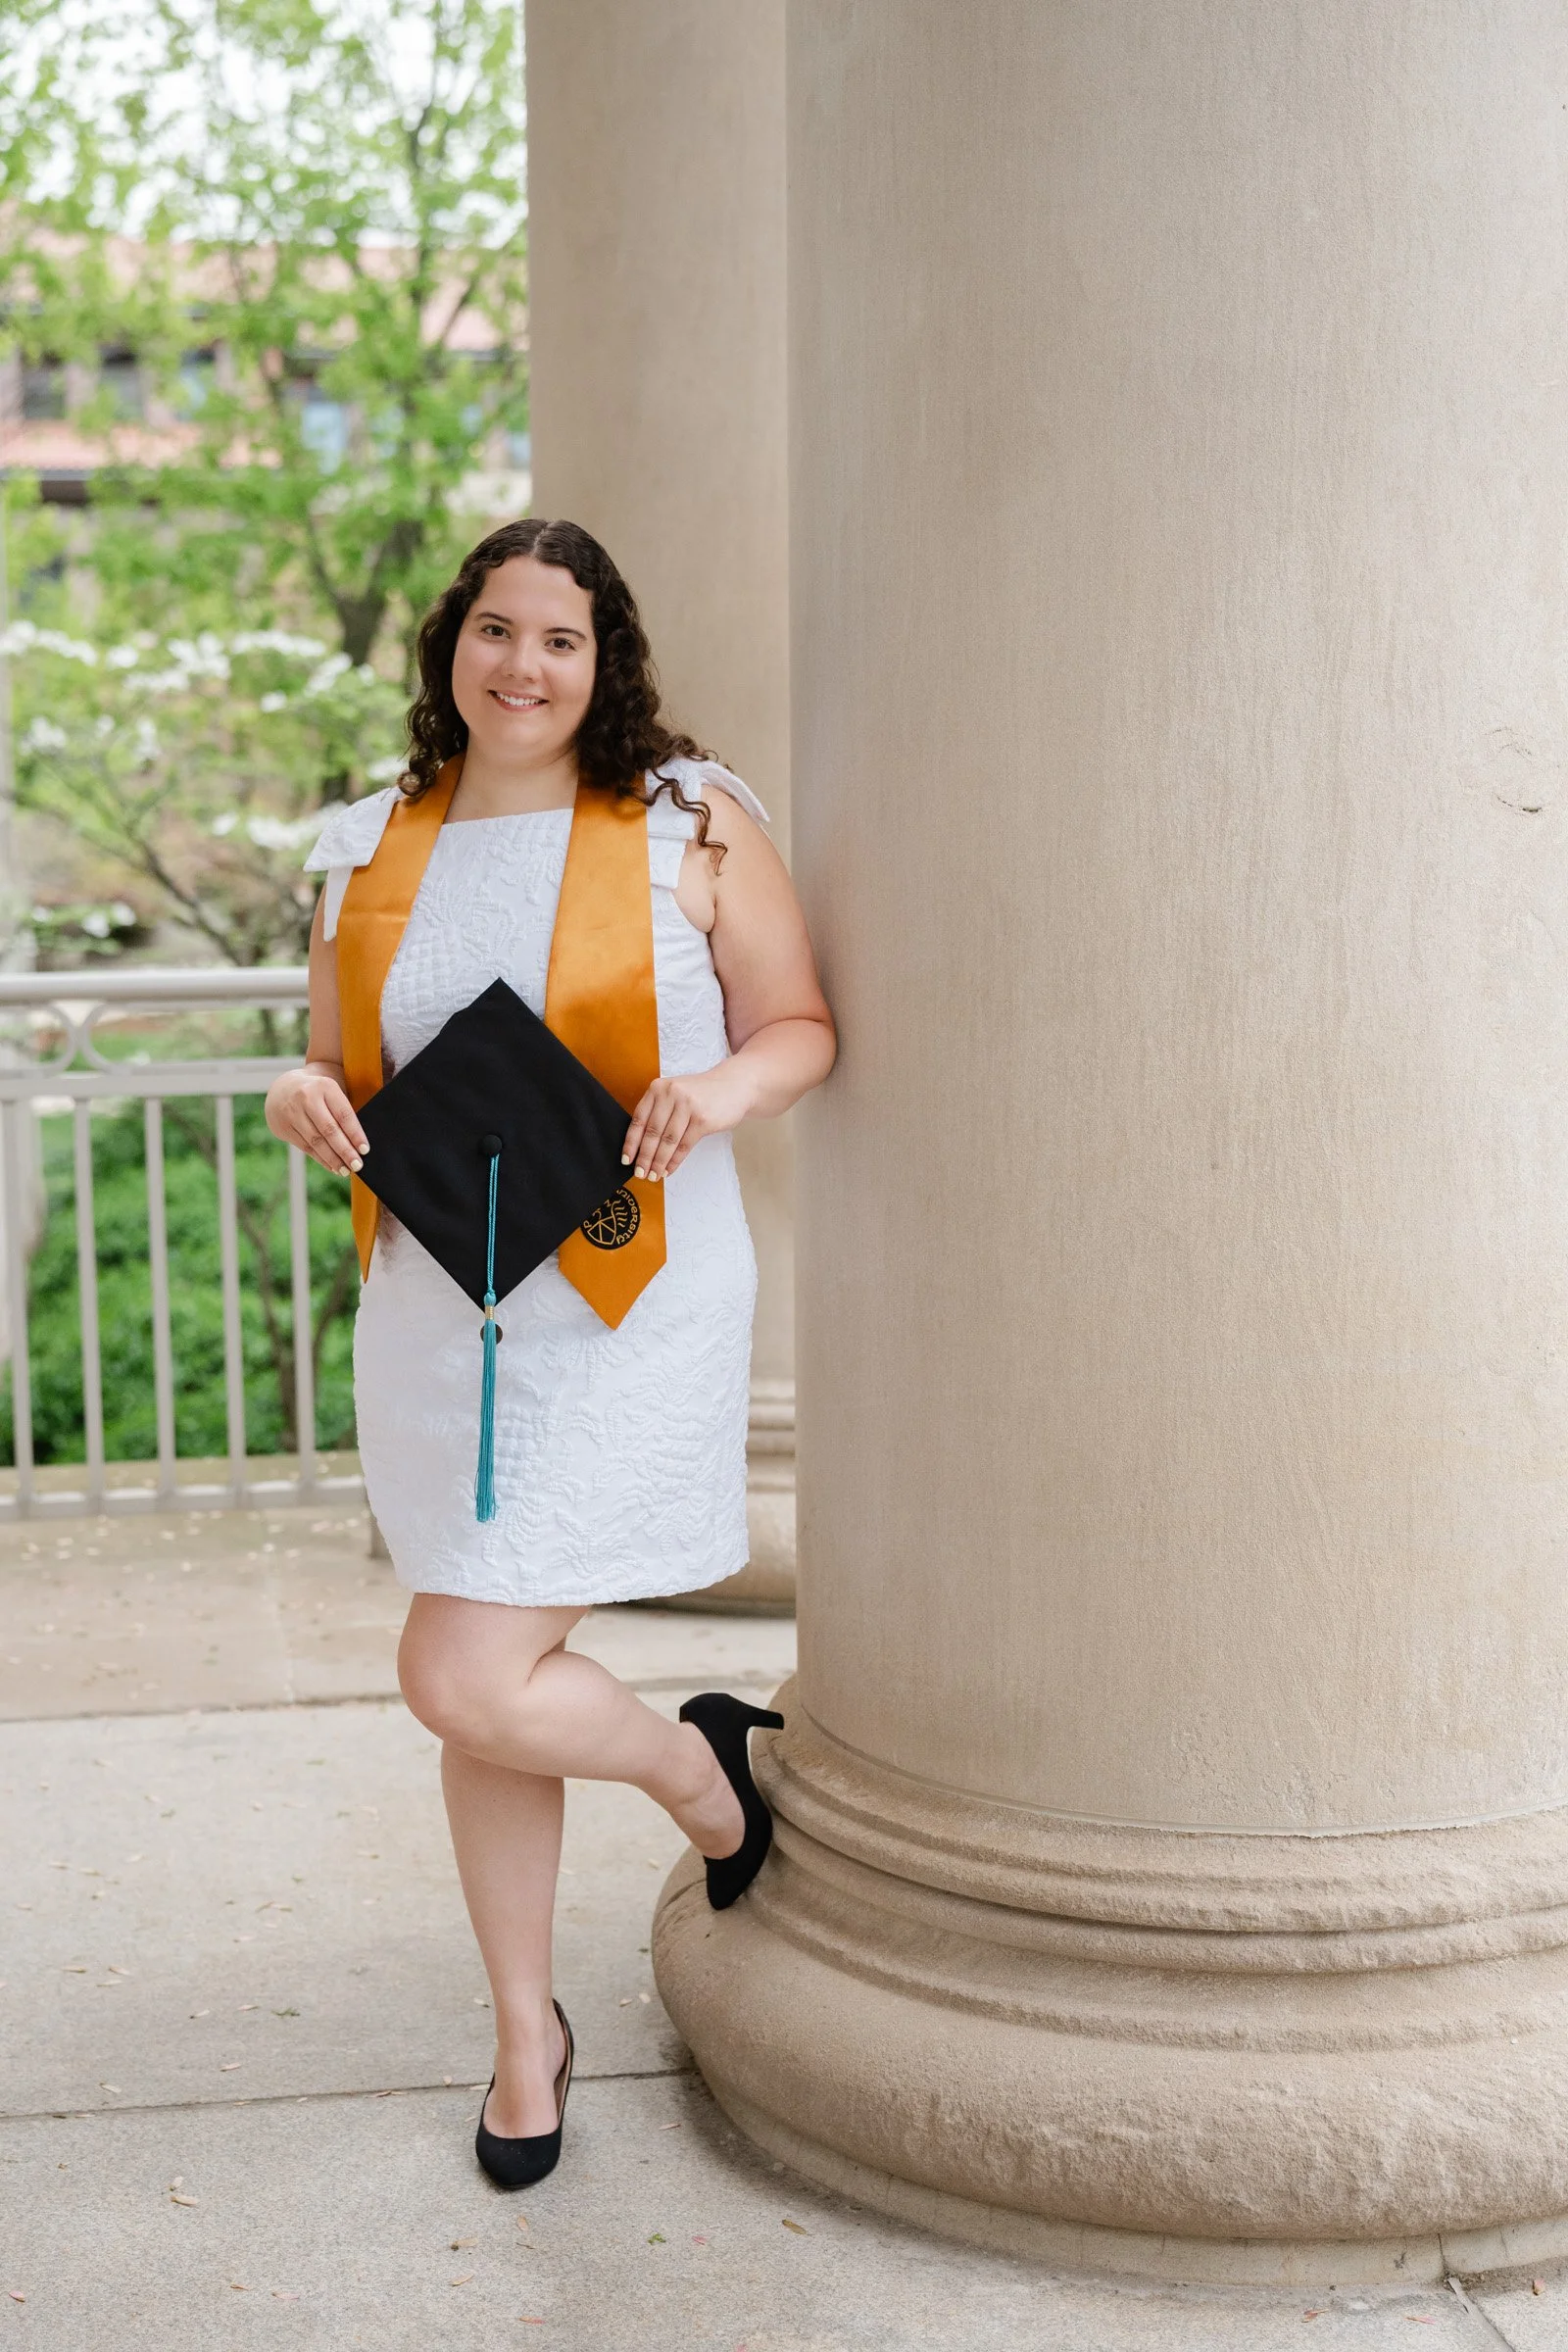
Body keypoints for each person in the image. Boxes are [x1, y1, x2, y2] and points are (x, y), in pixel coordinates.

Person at [264, 518, 834, 2185]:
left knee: (464, 1670)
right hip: (442, 1304)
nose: (523, 665)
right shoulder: (370, 841)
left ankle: (701, 1780)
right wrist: (304, 1098)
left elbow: (799, 1024)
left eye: (561, 639)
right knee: (481, 1688)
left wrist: (715, 1092)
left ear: (608, 661)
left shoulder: (684, 821)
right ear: (453, 645)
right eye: (495, 629)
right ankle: (529, 2031)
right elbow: (335, 1067)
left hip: (624, 1285)